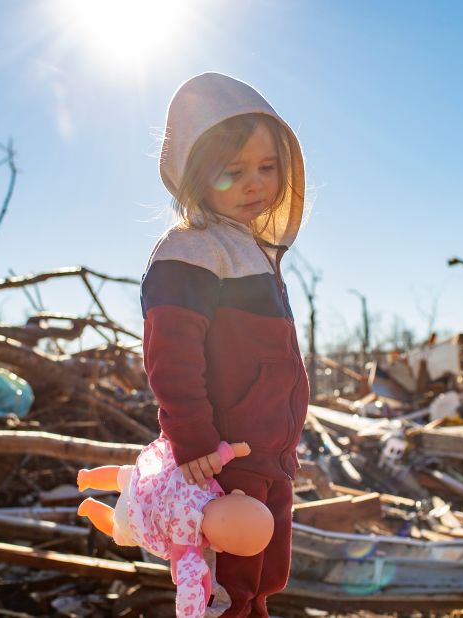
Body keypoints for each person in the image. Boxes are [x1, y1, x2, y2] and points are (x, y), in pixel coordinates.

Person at [141, 72, 310, 617]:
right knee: (224, 587)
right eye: (233, 172)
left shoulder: (254, 252)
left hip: (267, 458)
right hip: (220, 460)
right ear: (195, 175)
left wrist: (284, 444)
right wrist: (192, 439)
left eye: (267, 168)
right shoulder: (191, 251)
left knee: (264, 579)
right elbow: (171, 355)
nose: (254, 184)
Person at [76, 439, 274, 618]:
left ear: (237, 494)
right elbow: (190, 586)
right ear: (220, 547)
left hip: (145, 487)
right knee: (117, 532)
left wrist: (233, 450)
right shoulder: (189, 543)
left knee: (122, 474)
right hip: (134, 521)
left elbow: (214, 459)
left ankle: (89, 478)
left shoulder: (201, 483)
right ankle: (92, 509)